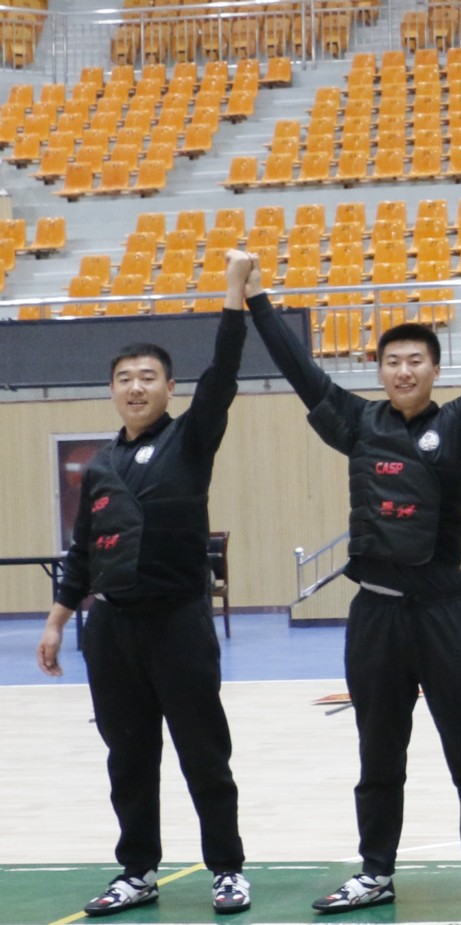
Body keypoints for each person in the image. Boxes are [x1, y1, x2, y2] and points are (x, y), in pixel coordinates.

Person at [240, 250, 461, 912]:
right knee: (378, 755)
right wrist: (259, 301)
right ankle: (375, 871)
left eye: (415, 361)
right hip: (376, 617)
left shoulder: (460, 423)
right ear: (379, 371)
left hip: (444, 613)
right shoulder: (357, 423)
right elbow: (300, 373)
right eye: (392, 362)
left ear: (434, 370)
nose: (404, 370)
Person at [35, 287, 252, 917]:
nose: (136, 387)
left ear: (170, 388)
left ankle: (227, 870)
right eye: (125, 378)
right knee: (128, 759)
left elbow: (224, 375)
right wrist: (56, 623)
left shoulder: (190, 440)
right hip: (111, 630)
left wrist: (234, 298)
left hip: (178, 624)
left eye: (148, 377)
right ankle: (137, 872)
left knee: (204, 757)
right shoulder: (100, 466)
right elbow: (83, 551)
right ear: (112, 390)